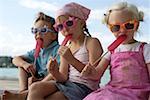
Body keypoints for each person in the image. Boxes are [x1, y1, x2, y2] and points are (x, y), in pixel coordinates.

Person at [27, 2, 103, 100]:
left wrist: (71, 59)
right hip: (68, 84)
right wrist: (54, 72)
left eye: (69, 23)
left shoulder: (92, 43)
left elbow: (94, 76)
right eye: (60, 27)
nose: (65, 29)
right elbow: (63, 77)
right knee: (35, 87)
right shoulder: (67, 47)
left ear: (82, 22)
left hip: (85, 88)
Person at [81, 2, 150, 100]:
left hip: (137, 92)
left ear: (137, 25)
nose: (122, 31)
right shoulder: (112, 51)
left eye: (128, 25)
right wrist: (90, 72)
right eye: (116, 27)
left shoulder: (145, 49)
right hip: (113, 89)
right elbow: (97, 74)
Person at [1, 12, 60, 100]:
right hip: (38, 81)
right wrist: (25, 64)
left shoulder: (58, 50)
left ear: (53, 35)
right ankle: (23, 92)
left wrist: (39, 83)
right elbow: (15, 59)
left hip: (52, 83)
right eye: (35, 31)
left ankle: (22, 96)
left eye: (43, 30)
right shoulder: (36, 51)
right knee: (22, 66)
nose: (38, 34)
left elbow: (56, 73)